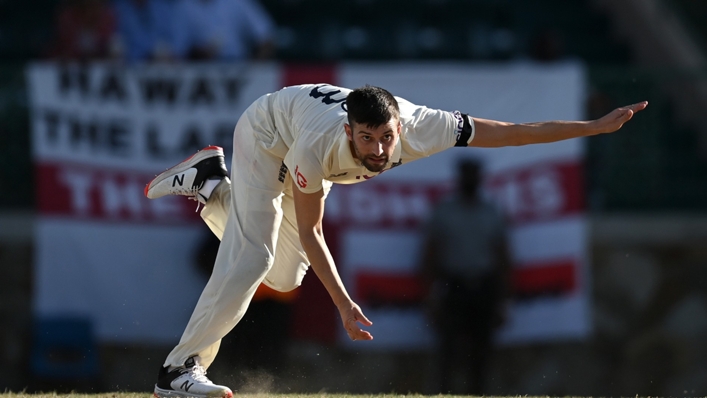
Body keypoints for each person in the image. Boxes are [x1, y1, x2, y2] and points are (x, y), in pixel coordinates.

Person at [144, 83, 647, 398]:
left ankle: (212, 187)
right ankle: (179, 370)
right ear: (349, 131)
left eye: (386, 136)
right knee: (253, 256)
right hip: (266, 133)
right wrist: (342, 304)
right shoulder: (317, 147)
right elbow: (315, 231)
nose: (380, 149)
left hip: (292, 128)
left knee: (284, 273)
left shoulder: (424, 127)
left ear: (399, 125)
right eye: (366, 139)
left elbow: (512, 132)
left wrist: (592, 129)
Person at [419, 158, 511, 395]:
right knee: (447, 355)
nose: (470, 180)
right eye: (466, 175)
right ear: (460, 178)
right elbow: (430, 254)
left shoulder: (491, 212)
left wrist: (503, 299)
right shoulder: (445, 211)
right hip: (453, 288)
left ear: (479, 178)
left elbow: (503, 257)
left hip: (484, 288)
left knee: (481, 356)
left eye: (474, 175)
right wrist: (431, 295)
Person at [170, 0, 276, 61]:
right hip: (197, 70)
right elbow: (176, 52)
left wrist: (254, 68)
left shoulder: (238, 2)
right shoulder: (183, 6)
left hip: (237, 68)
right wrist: (196, 53)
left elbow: (266, 37)